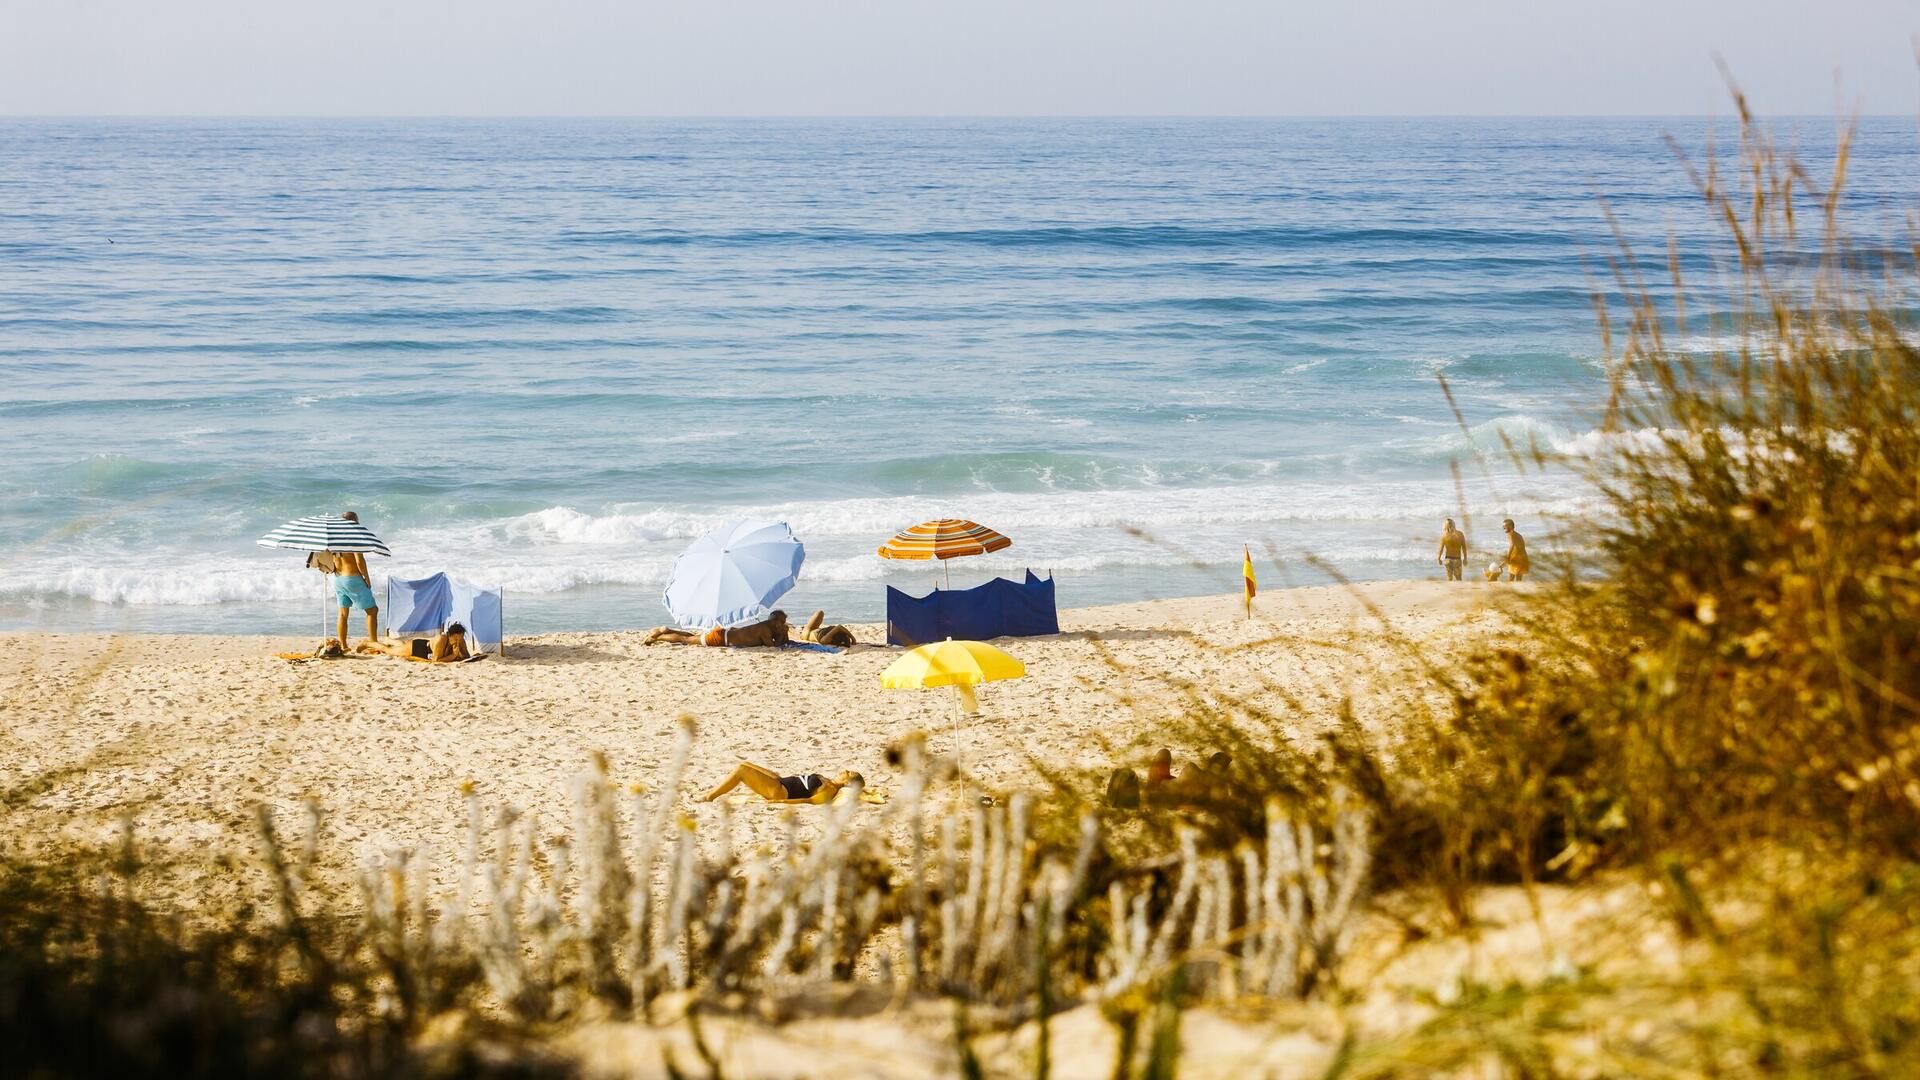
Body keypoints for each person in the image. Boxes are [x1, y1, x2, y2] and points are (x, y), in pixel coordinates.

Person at [700, 762, 863, 805]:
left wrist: (781, 801)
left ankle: (709, 797)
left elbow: (809, 801)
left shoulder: (830, 789)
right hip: (780, 780)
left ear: (848, 783)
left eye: (849, 774)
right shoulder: (828, 780)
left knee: (741, 770)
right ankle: (710, 795)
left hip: (779, 791)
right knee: (745, 763)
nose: (846, 770)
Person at [332, 511, 379, 645]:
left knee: (342, 614)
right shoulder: (354, 537)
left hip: (338, 579)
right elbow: (359, 561)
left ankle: (343, 645)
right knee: (372, 610)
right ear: (354, 522)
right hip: (352, 578)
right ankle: (373, 643)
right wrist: (367, 578)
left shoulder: (333, 539)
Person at [644, 610, 790, 647]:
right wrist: (783, 634)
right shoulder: (764, 629)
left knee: (693, 637)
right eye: (782, 622)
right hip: (721, 638)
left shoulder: (766, 626)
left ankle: (668, 630)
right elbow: (773, 646)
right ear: (775, 622)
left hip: (725, 632)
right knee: (686, 640)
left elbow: (783, 642)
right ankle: (658, 637)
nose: (784, 625)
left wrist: (783, 633)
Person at [358, 621, 472, 662]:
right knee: (389, 650)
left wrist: (461, 654)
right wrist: (453, 655)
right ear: (450, 635)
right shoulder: (442, 640)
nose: (458, 641)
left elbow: (466, 656)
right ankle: (366, 643)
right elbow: (436, 660)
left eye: (461, 638)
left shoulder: (459, 640)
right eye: (456, 639)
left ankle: (390, 640)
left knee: (400, 645)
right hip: (417, 648)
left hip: (423, 645)